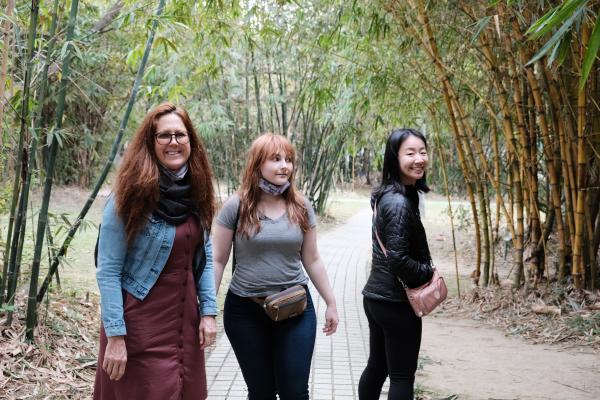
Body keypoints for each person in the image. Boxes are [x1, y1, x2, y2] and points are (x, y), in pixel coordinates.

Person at [94, 102, 217, 400]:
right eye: (164, 136)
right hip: (139, 327)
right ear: (150, 142)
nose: (173, 142)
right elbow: (107, 269)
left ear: (191, 141)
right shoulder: (128, 196)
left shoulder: (197, 191)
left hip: (184, 324)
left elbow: (205, 255)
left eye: (180, 134)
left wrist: (209, 312)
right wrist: (116, 337)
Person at [212, 133, 339, 400]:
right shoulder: (236, 206)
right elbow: (218, 259)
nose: (285, 166)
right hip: (245, 311)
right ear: (257, 164)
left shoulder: (301, 206)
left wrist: (331, 302)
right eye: (276, 159)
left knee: (295, 392)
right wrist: (207, 310)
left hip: (295, 308)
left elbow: (312, 258)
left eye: (289, 160)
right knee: (261, 393)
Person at [358, 128, 434, 400]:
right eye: (410, 153)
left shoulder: (391, 195)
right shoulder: (399, 202)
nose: (419, 159)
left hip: (377, 299)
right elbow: (398, 260)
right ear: (394, 157)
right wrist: (429, 272)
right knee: (402, 375)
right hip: (395, 302)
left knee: (378, 367)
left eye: (423, 152)